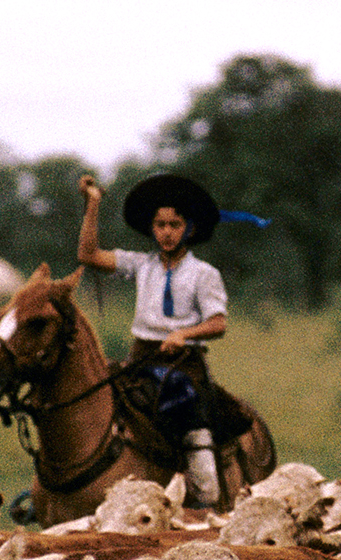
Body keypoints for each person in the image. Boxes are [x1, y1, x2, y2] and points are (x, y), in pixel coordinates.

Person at [77, 172, 231, 505]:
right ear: (152, 228)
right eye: (160, 225)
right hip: (141, 360)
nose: (166, 232)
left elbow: (218, 323)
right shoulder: (140, 264)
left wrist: (184, 334)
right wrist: (93, 204)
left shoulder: (204, 273)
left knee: (195, 432)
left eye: (174, 225)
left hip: (184, 366)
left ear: (188, 228)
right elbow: (88, 255)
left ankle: (206, 497)